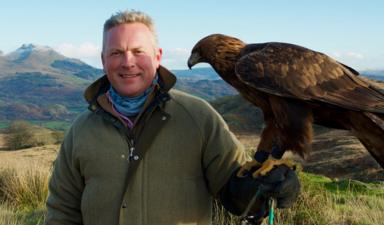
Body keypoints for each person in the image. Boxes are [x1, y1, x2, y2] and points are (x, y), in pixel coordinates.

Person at [45, 10, 300, 225]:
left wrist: (262, 189)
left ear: (157, 57)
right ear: (103, 60)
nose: (128, 62)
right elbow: (62, 212)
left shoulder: (199, 117)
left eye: (138, 51)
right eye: (116, 53)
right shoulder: (82, 130)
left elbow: (235, 192)